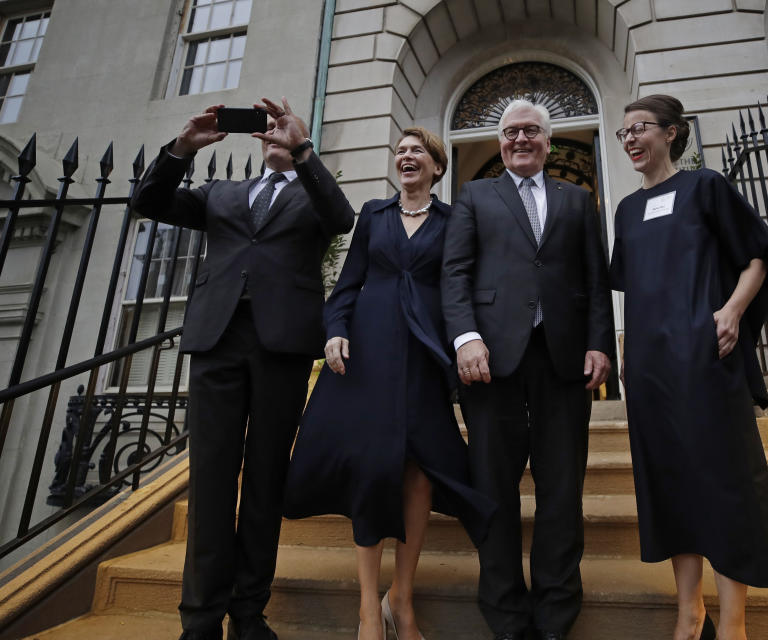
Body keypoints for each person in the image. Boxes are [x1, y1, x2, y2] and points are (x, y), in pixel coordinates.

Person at [132, 97, 355, 640]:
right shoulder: (220, 194)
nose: (275, 134)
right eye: (271, 129)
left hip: (281, 348)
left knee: (264, 482)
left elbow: (342, 218)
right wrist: (183, 146)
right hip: (217, 342)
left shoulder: (311, 192)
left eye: (286, 129)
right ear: (256, 141)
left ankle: (248, 612)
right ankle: (201, 619)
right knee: (210, 481)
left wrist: (303, 148)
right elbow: (148, 200)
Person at [283, 127, 496, 640]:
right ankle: (365, 609)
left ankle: (401, 597)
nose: (405, 157)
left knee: (421, 471)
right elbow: (347, 283)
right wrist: (334, 332)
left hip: (423, 353)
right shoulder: (373, 215)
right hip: (368, 350)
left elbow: (460, 285)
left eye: (416, 151)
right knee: (372, 470)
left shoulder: (453, 220)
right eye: (399, 151)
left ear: (436, 167)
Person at [609, 94, 768, 640]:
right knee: (668, 484)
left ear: (671, 133)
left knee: (724, 481)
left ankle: (733, 620)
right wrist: (624, 350)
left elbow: (758, 256)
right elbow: (635, 288)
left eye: (640, 128)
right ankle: (690, 612)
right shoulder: (626, 209)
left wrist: (732, 310)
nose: (630, 140)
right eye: (623, 134)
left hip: (707, 358)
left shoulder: (704, 186)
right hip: (649, 367)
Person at [441, 99, 615, 640]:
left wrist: (600, 344)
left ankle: (556, 614)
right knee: (493, 488)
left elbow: (595, 279)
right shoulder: (475, 195)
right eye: (511, 131)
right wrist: (466, 338)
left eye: (531, 131)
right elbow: (456, 273)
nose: (521, 139)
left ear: (548, 140)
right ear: (499, 142)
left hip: (563, 360)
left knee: (562, 490)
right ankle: (506, 615)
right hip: (490, 362)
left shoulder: (578, 199)